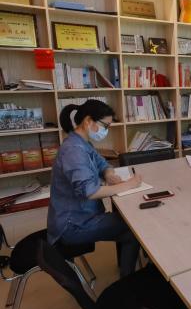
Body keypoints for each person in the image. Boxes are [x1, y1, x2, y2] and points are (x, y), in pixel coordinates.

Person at [47, 100, 141, 277]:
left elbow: (102, 163)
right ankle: (128, 281)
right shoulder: (73, 150)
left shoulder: (83, 143)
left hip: (82, 216)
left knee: (128, 221)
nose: (107, 130)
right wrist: (129, 184)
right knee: (133, 229)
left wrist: (108, 174)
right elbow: (89, 191)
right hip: (72, 225)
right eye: (105, 126)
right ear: (88, 121)